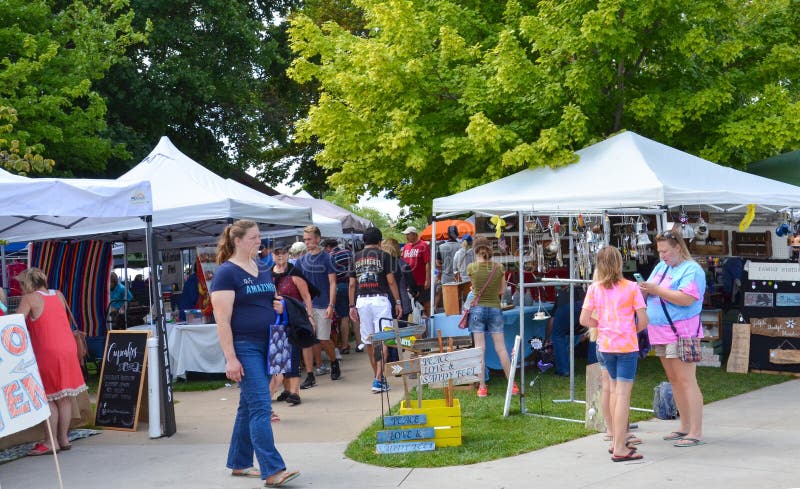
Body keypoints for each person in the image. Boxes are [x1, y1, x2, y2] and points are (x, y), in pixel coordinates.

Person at [209, 220, 300, 486]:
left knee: (247, 406)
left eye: (260, 237)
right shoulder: (227, 273)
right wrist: (230, 358)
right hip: (244, 345)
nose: (259, 241)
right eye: (253, 237)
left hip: (270, 340)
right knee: (261, 405)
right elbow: (222, 320)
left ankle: (239, 463)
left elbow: (265, 302)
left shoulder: (262, 269)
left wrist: (279, 307)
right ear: (237, 240)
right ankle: (272, 470)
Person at [639, 227, 706, 448]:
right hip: (660, 331)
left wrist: (656, 290)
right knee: (675, 381)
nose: (662, 256)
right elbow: (652, 289)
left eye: (666, 251)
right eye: (659, 251)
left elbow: (686, 299)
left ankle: (695, 431)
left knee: (687, 381)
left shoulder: (692, 270)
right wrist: (643, 289)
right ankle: (684, 426)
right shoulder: (661, 267)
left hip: (681, 332)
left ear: (678, 247)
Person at [580, 246, 648, 462]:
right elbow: (643, 320)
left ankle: (614, 438)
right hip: (626, 347)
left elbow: (584, 320)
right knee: (623, 395)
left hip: (605, 345)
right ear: (620, 264)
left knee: (613, 391)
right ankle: (620, 446)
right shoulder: (631, 287)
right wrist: (629, 330)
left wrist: (601, 325)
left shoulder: (594, 289)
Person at [16, 268, 88, 455]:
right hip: (68, 348)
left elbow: (15, 324)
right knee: (63, 397)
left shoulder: (29, 298)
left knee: (47, 396)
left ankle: (50, 441)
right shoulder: (58, 295)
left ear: (28, 283)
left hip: (47, 351)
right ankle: (63, 438)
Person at [349, 227, 403, 392]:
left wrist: (351, 305)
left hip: (362, 301)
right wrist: (398, 301)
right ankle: (379, 378)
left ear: (364, 241)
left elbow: (352, 284)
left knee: (369, 341)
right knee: (383, 338)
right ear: (379, 242)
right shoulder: (384, 256)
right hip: (379, 300)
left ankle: (377, 377)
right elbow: (391, 281)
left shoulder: (355, 258)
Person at [466, 238, 518, 398]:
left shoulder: (472, 268)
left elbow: (474, 288)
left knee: (480, 350)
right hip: (495, 308)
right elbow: (502, 290)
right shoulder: (499, 267)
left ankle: (482, 387)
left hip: (477, 310)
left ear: (475, 251)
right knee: (501, 348)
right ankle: (512, 385)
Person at [272, 240, 317, 407]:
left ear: (287, 254)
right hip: (276, 320)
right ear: (273, 256)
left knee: (294, 354)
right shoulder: (269, 274)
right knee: (279, 357)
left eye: (283, 253)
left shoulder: (294, 272)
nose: (280, 256)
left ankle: (295, 392)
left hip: (295, 320)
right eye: (277, 253)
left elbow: (306, 296)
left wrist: (310, 316)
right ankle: (286, 389)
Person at [296, 225, 340, 386]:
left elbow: (332, 283)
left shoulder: (327, 258)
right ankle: (310, 374)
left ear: (317, 239)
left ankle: (334, 361)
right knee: (308, 340)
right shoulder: (301, 261)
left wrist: (331, 304)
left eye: (309, 239)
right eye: (304, 239)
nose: (306, 242)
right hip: (307, 306)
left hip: (323, 304)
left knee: (322, 339)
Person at [547, 286, 586, 377]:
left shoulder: (561, 296)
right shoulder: (580, 288)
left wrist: (547, 338)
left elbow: (552, 320)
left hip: (568, 305)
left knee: (557, 336)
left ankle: (563, 370)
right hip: (583, 304)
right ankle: (594, 364)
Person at [323, 238, 354, 354]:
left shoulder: (330, 256)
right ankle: (360, 343)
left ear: (327, 247)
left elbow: (331, 276)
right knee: (354, 316)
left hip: (339, 286)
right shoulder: (347, 252)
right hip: (352, 284)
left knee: (344, 317)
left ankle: (345, 345)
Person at [401, 226, 431, 316]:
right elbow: (402, 262)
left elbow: (427, 262)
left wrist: (427, 279)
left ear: (414, 234)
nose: (406, 237)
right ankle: (417, 323)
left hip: (421, 280)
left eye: (408, 235)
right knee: (414, 304)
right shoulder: (406, 247)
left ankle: (428, 322)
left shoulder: (423, 245)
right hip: (410, 281)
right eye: (406, 235)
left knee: (425, 303)